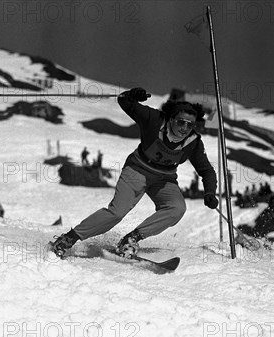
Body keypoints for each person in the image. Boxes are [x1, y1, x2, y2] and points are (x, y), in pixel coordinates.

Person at [50, 87, 218, 258]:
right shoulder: (154, 119)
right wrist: (131, 95)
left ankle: (131, 239)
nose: (185, 128)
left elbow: (206, 171)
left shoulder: (194, 143)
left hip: (163, 178)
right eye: (181, 122)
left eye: (190, 125)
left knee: (177, 208)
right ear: (171, 119)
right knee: (116, 213)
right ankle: (68, 239)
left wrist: (210, 192)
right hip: (137, 170)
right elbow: (125, 101)